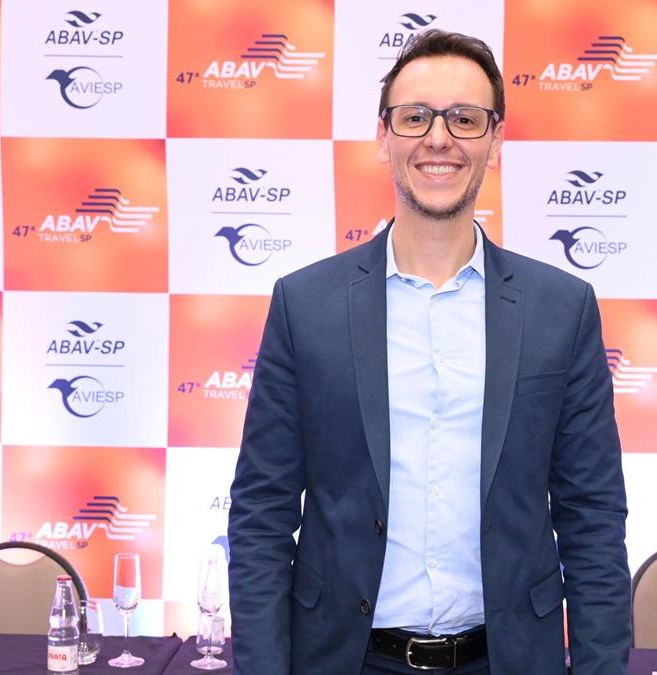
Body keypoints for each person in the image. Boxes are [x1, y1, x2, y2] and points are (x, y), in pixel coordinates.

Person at [228, 29, 631, 674]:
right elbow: (262, 513)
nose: (438, 139)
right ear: (383, 135)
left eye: (465, 119)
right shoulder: (304, 305)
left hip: (507, 660)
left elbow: (593, 519)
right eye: (415, 117)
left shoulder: (563, 308)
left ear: (495, 142)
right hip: (345, 659)